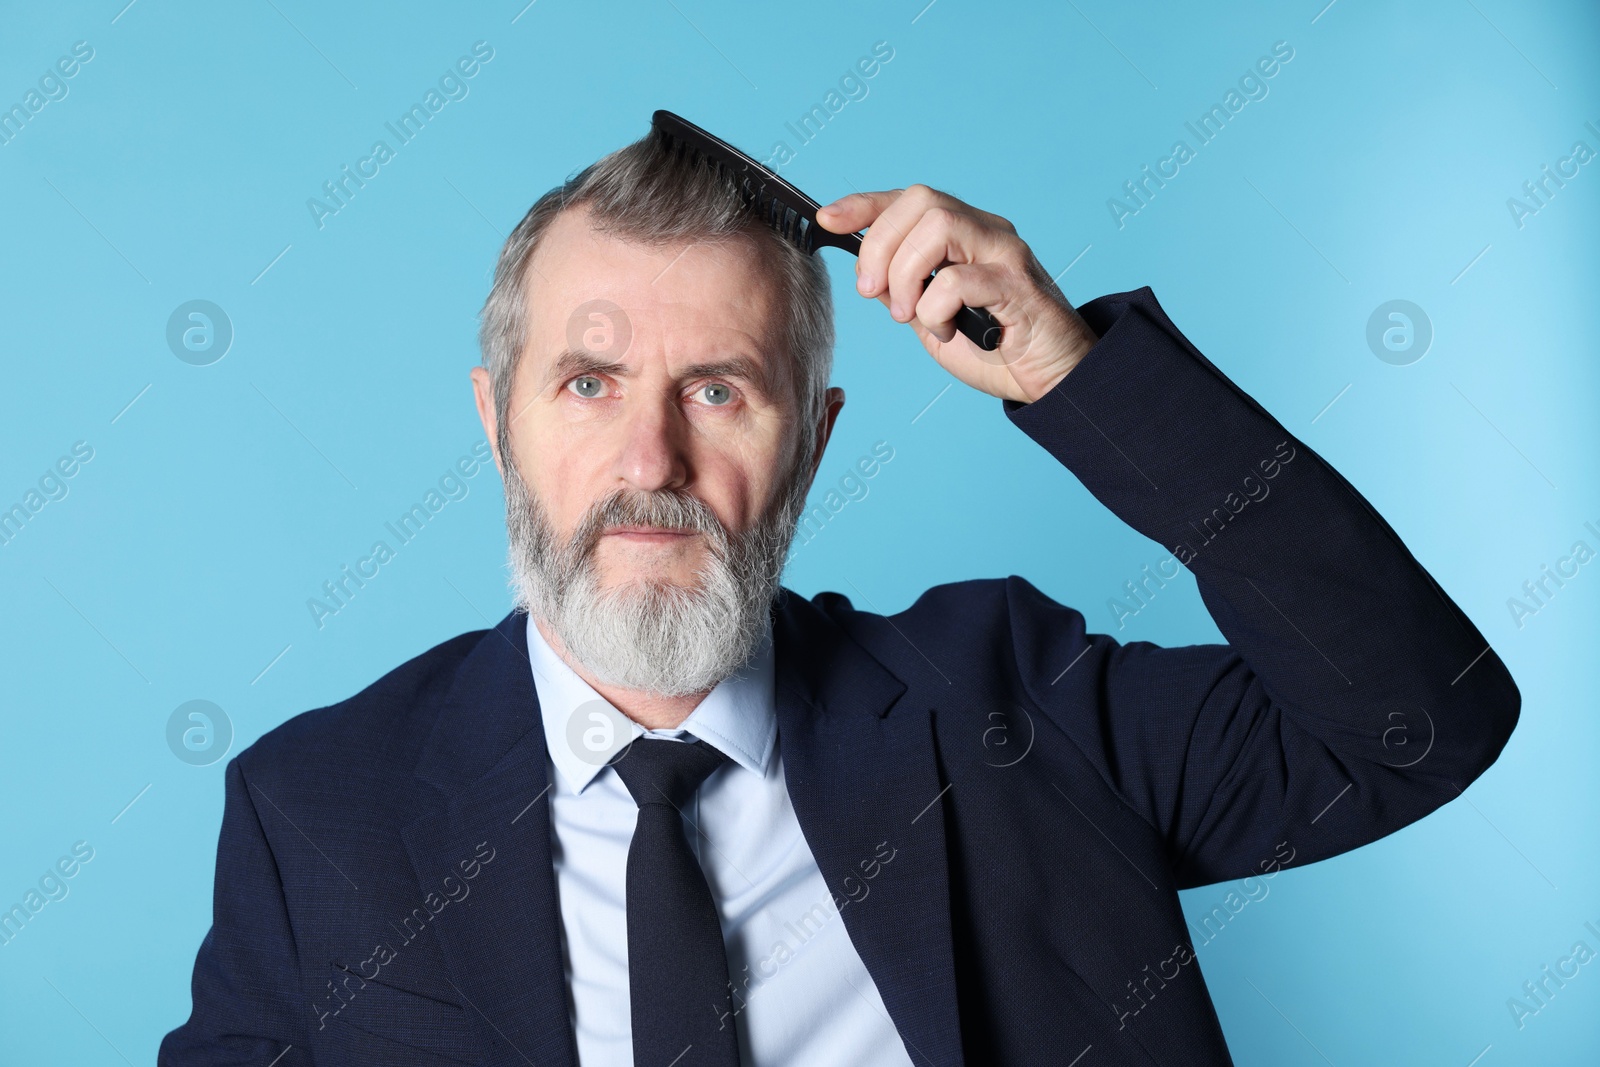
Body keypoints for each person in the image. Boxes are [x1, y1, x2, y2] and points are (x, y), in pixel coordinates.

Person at [160, 121, 1519, 1067]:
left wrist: (1074, 373)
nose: (653, 462)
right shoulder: (317, 813)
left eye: (718, 390)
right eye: (589, 384)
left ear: (808, 441)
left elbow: (1420, 723)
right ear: (497, 423)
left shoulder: (1011, 701)